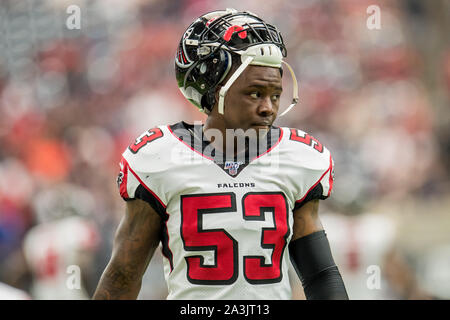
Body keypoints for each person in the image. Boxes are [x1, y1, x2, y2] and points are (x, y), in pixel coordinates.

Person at [93, 8, 348, 300]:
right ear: (214, 91)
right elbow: (123, 276)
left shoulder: (296, 159)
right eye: (255, 93)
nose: (268, 108)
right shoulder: (160, 159)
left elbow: (320, 275)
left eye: (275, 95)